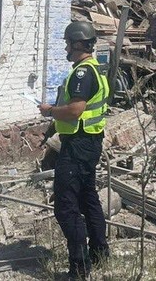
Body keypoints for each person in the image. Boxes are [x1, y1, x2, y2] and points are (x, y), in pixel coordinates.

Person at [39, 21, 110, 280]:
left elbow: (75, 110)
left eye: (69, 43)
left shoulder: (82, 73)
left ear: (79, 44)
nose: (66, 48)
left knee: (66, 206)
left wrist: (50, 111)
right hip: (90, 142)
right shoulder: (96, 69)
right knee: (87, 197)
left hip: (79, 144)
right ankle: (100, 253)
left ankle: (79, 268)